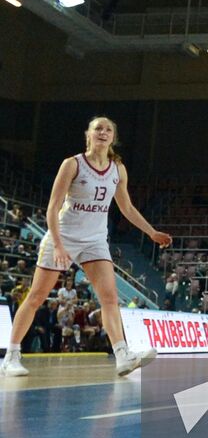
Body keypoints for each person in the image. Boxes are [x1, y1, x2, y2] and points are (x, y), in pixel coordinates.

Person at [0, 116, 172, 378]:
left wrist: (151, 232)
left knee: (110, 298)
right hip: (63, 235)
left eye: (108, 129)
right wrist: (59, 245)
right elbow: (52, 208)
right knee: (36, 297)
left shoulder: (118, 169)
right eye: (98, 128)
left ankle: (122, 355)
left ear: (113, 137)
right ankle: (11, 355)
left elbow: (126, 208)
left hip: (95, 240)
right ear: (88, 135)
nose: (103, 132)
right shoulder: (72, 164)